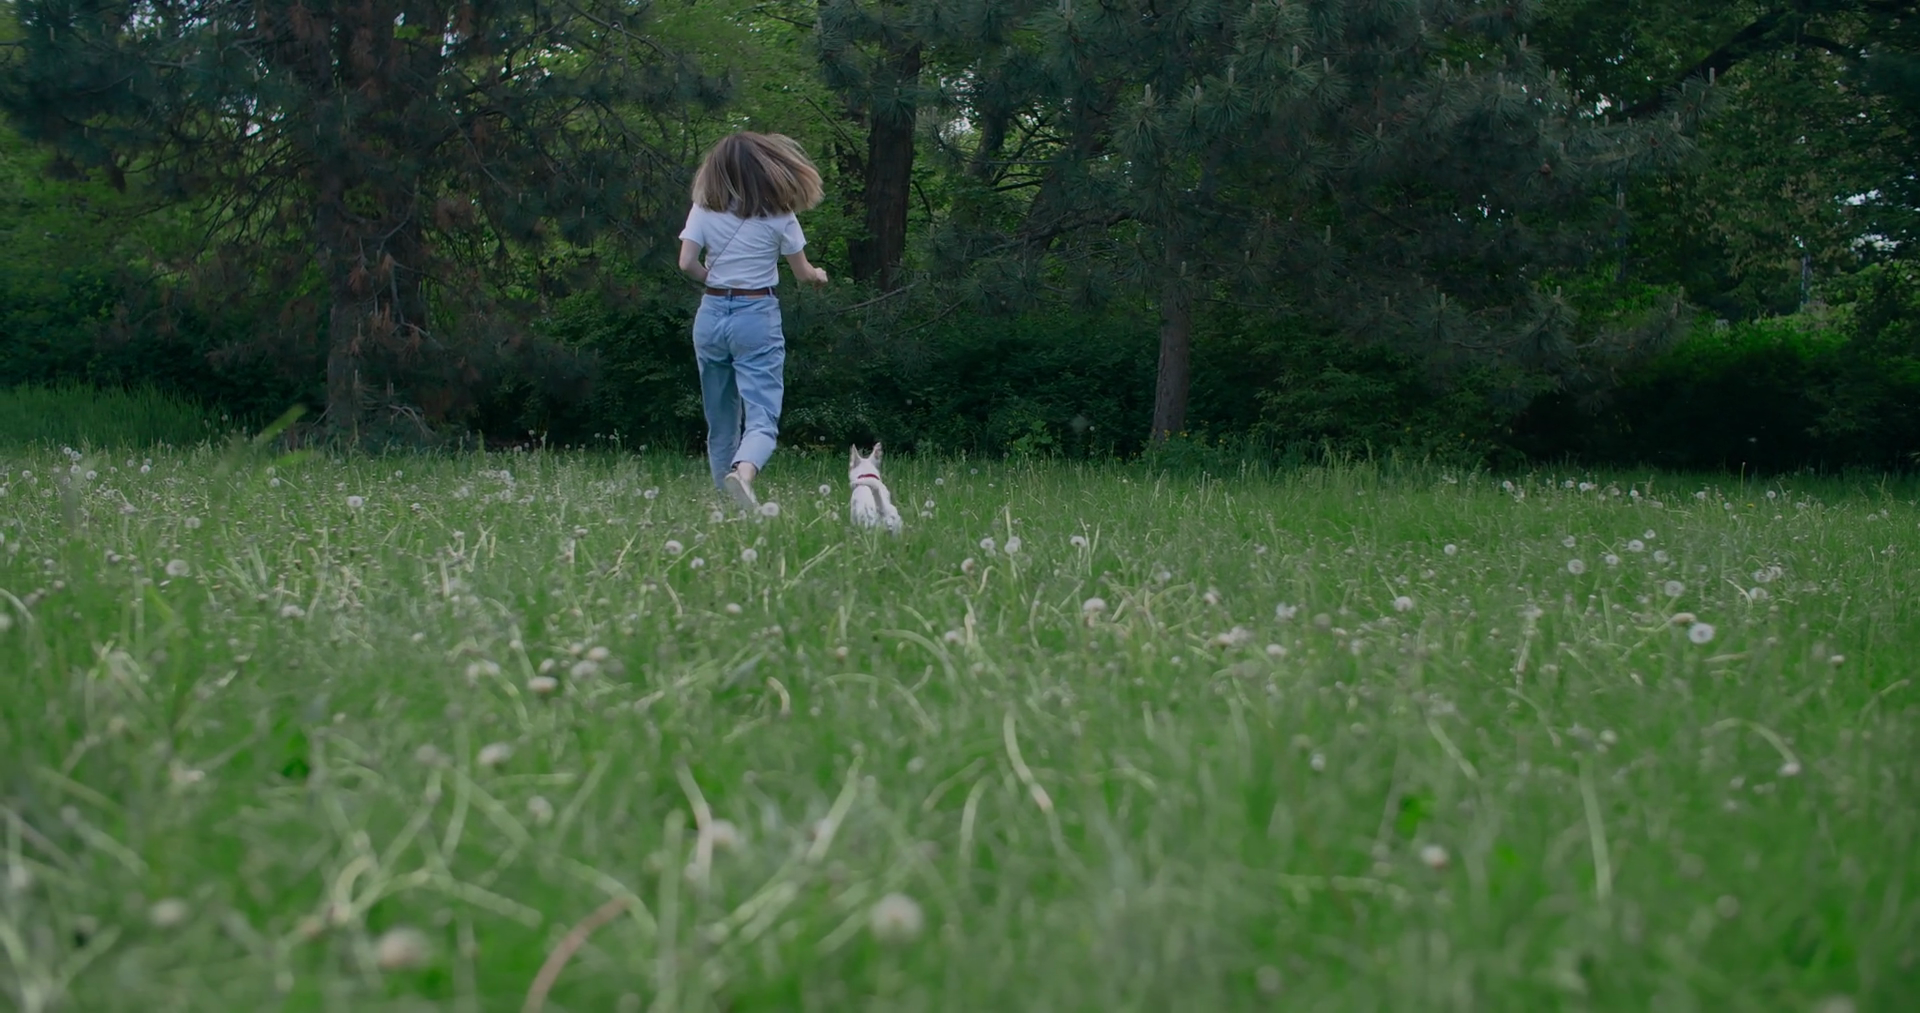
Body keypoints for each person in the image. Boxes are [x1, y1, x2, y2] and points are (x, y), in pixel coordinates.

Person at [677, 132, 830, 511]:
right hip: (755, 315)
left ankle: (726, 506)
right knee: (761, 417)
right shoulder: (781, 215)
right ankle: (743, 475)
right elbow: (803, 273)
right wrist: (819, 276)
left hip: (711, 315)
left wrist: (713, 278)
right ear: (766, 167)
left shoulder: (703, 209)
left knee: (720, 421)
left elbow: (686, 263)